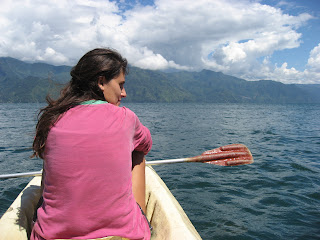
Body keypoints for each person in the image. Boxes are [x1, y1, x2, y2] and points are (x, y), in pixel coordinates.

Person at [31, 48, 152, 240]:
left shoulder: (53, 118)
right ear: (101, 82)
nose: (124, 93)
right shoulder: (126, 117)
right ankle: (136, 225)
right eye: (120, 85)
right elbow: (145, 145)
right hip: (122, 235)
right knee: (137, 153)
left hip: (50, 236)